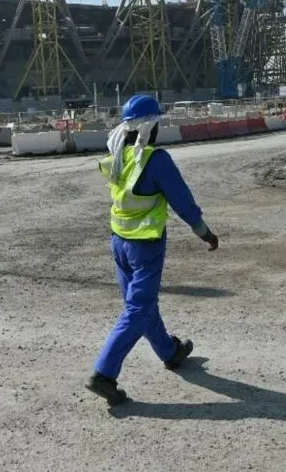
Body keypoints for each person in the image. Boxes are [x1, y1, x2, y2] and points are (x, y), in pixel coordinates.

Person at [86, 94, 219, 406]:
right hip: (145, 244)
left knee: (141, 305)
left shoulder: (119, 155)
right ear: (151, 127)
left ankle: (170, 352)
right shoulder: (155, 159)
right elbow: (182, 201)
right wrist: (204, 232)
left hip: (119, 242)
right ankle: (104, 373)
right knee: (138, 308)